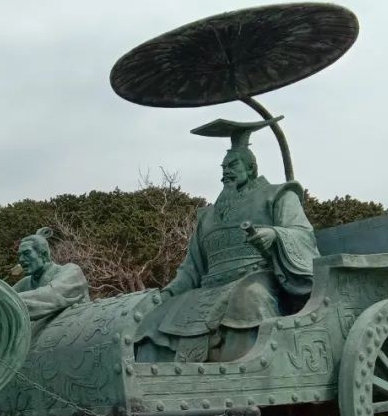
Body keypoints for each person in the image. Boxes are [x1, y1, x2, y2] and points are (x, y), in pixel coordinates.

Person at [135, 117, 319, 362]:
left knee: (249, 299)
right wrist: (168, 294)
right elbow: (191, 268)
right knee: (155, 319)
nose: (226, 172)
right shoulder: (208, 217)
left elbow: (303, 233)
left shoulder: (278, 196)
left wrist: (275, 235)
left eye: (232, 165)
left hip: (257, 279)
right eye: (223, 167)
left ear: (251, 168)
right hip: (209, 289)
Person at [13, 227, 90, 331]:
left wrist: (7, 303)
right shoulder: (24, 283)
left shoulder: (72, 271)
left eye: (26, 253)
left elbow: (51, 295)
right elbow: (6, 294)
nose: (21, 259)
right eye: (19, 255)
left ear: (44, 254)